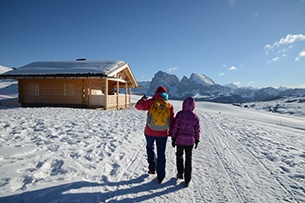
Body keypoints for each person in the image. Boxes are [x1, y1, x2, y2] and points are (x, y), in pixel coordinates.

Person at [135, 86, 175, 183]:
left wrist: (143, 99)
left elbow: (138, 106)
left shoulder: (151, 102)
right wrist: (170, 132)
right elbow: (172, 120)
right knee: (161, 153)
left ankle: (152, 168)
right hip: (163, 133)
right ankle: (160, 176)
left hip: (150, 131)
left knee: (150, 148)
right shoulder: (169, 105)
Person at [171, 97, 200, 187]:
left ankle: (180, 173)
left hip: (180, 140)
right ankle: (187, 179)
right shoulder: (195, 116)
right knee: (188, 159)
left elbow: (175, 127)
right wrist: (197, 139)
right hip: (190, 141)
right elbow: (197, 129)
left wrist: (173, 138)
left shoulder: (180, 114)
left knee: (179, 156)